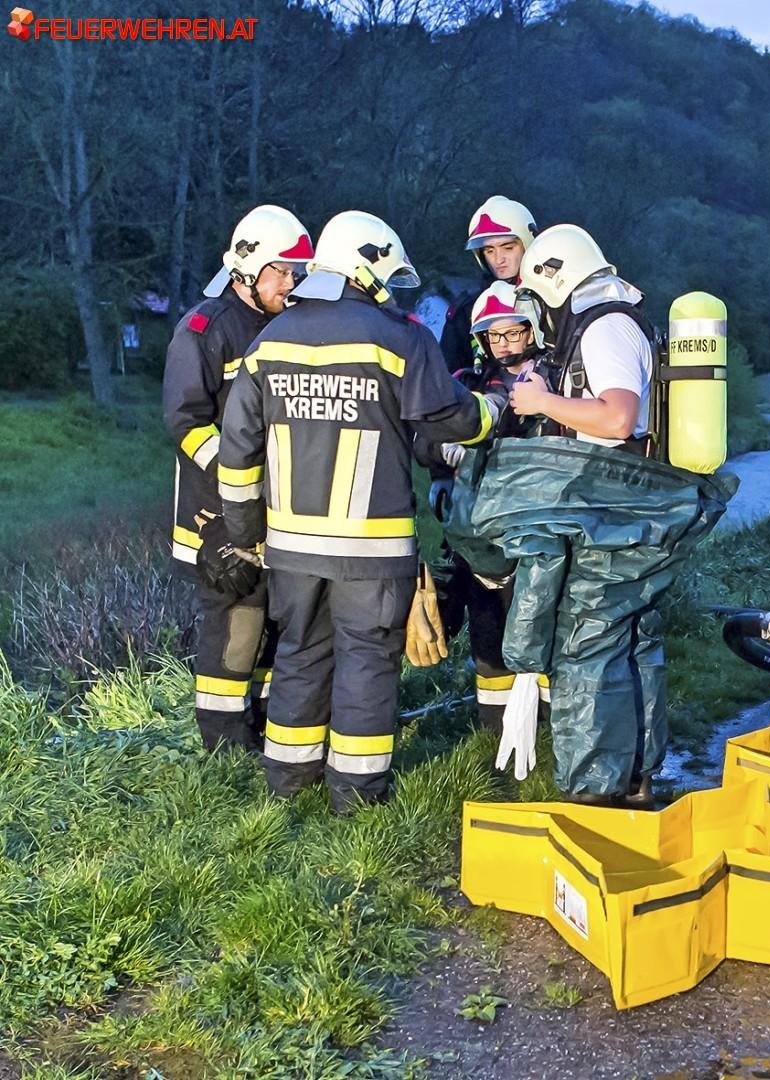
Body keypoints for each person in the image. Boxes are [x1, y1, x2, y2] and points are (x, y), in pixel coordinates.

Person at [217, 210, 507, 812]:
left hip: (291, 547)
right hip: (372, 549)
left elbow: (238, 450)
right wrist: (498, 407)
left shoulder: (268, 341)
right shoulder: (400, 338)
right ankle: (357, 795)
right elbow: (453, 420)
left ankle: (289, 782)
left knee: (299, 653)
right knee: (368, 661)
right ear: (367, 269)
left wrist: (246, 533)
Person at [475, 224, 733, 806]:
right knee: (632, 638)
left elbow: (617, 418)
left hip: (617, 511)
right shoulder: (610, 320)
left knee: (587, 643)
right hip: (630, 506)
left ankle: (595, 792)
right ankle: (635, 776)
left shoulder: (604, 327)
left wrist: (541, 401)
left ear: (556, 281)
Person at [162, 204, 311, 750]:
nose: (290, 283)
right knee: (237, 623)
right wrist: (234, 483)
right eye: (281, 271)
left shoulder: (289, 324)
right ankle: (224, 744)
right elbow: (184, 421)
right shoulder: (205, 328)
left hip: (277, 508)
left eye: (296, 272)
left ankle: (269, 727)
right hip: (217, 513)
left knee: (276, 622)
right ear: (246, 269)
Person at [427, 280, 553, 731]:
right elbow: (425, 436)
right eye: (492, 335)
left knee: (542, 628)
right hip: (479, 534)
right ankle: (494, 732)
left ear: (532, 330)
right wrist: (444, 449)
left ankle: (551, 730)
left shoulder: (554, 381)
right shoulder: (469, 382)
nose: (503, 344)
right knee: (487, 627)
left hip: (538, 530)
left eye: (512, 332)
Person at [435, 195, 538, 377]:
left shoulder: (552, 301)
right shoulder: (467, 312)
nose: (498, 259)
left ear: (527, 243)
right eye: (489, 251)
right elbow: (445, 376)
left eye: (508, 247)